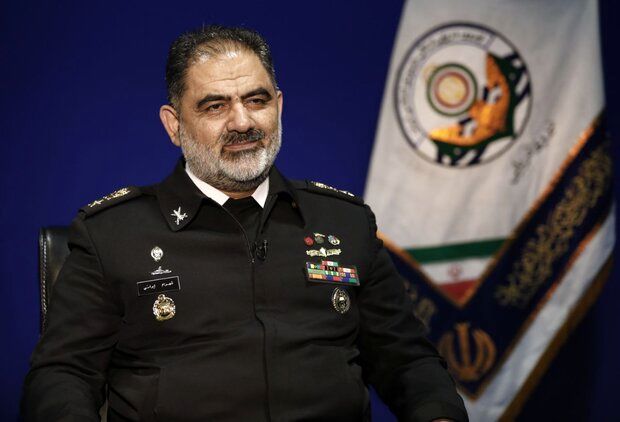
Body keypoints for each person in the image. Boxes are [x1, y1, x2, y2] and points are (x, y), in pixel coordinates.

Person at [22, 25, 468, 422]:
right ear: (174, 125)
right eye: (215, 106)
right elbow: (62, 376)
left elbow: (407, 360)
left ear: (279, 106)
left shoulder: (345, 222)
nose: (242, 122)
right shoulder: (112, 234)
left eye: (256, 101)